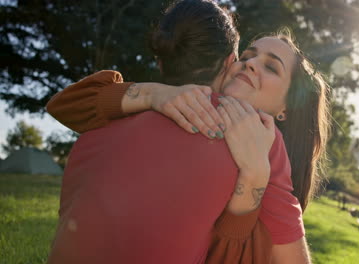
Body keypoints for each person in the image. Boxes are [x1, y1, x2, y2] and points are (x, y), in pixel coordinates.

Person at [47, 0, 330, 263]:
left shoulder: (263, 140)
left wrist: (256, 173)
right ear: (229, 63)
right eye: (248, 55)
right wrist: (155, 93)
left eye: (270, 67)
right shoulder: (161, 105)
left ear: (286, 108)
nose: (251, 63)